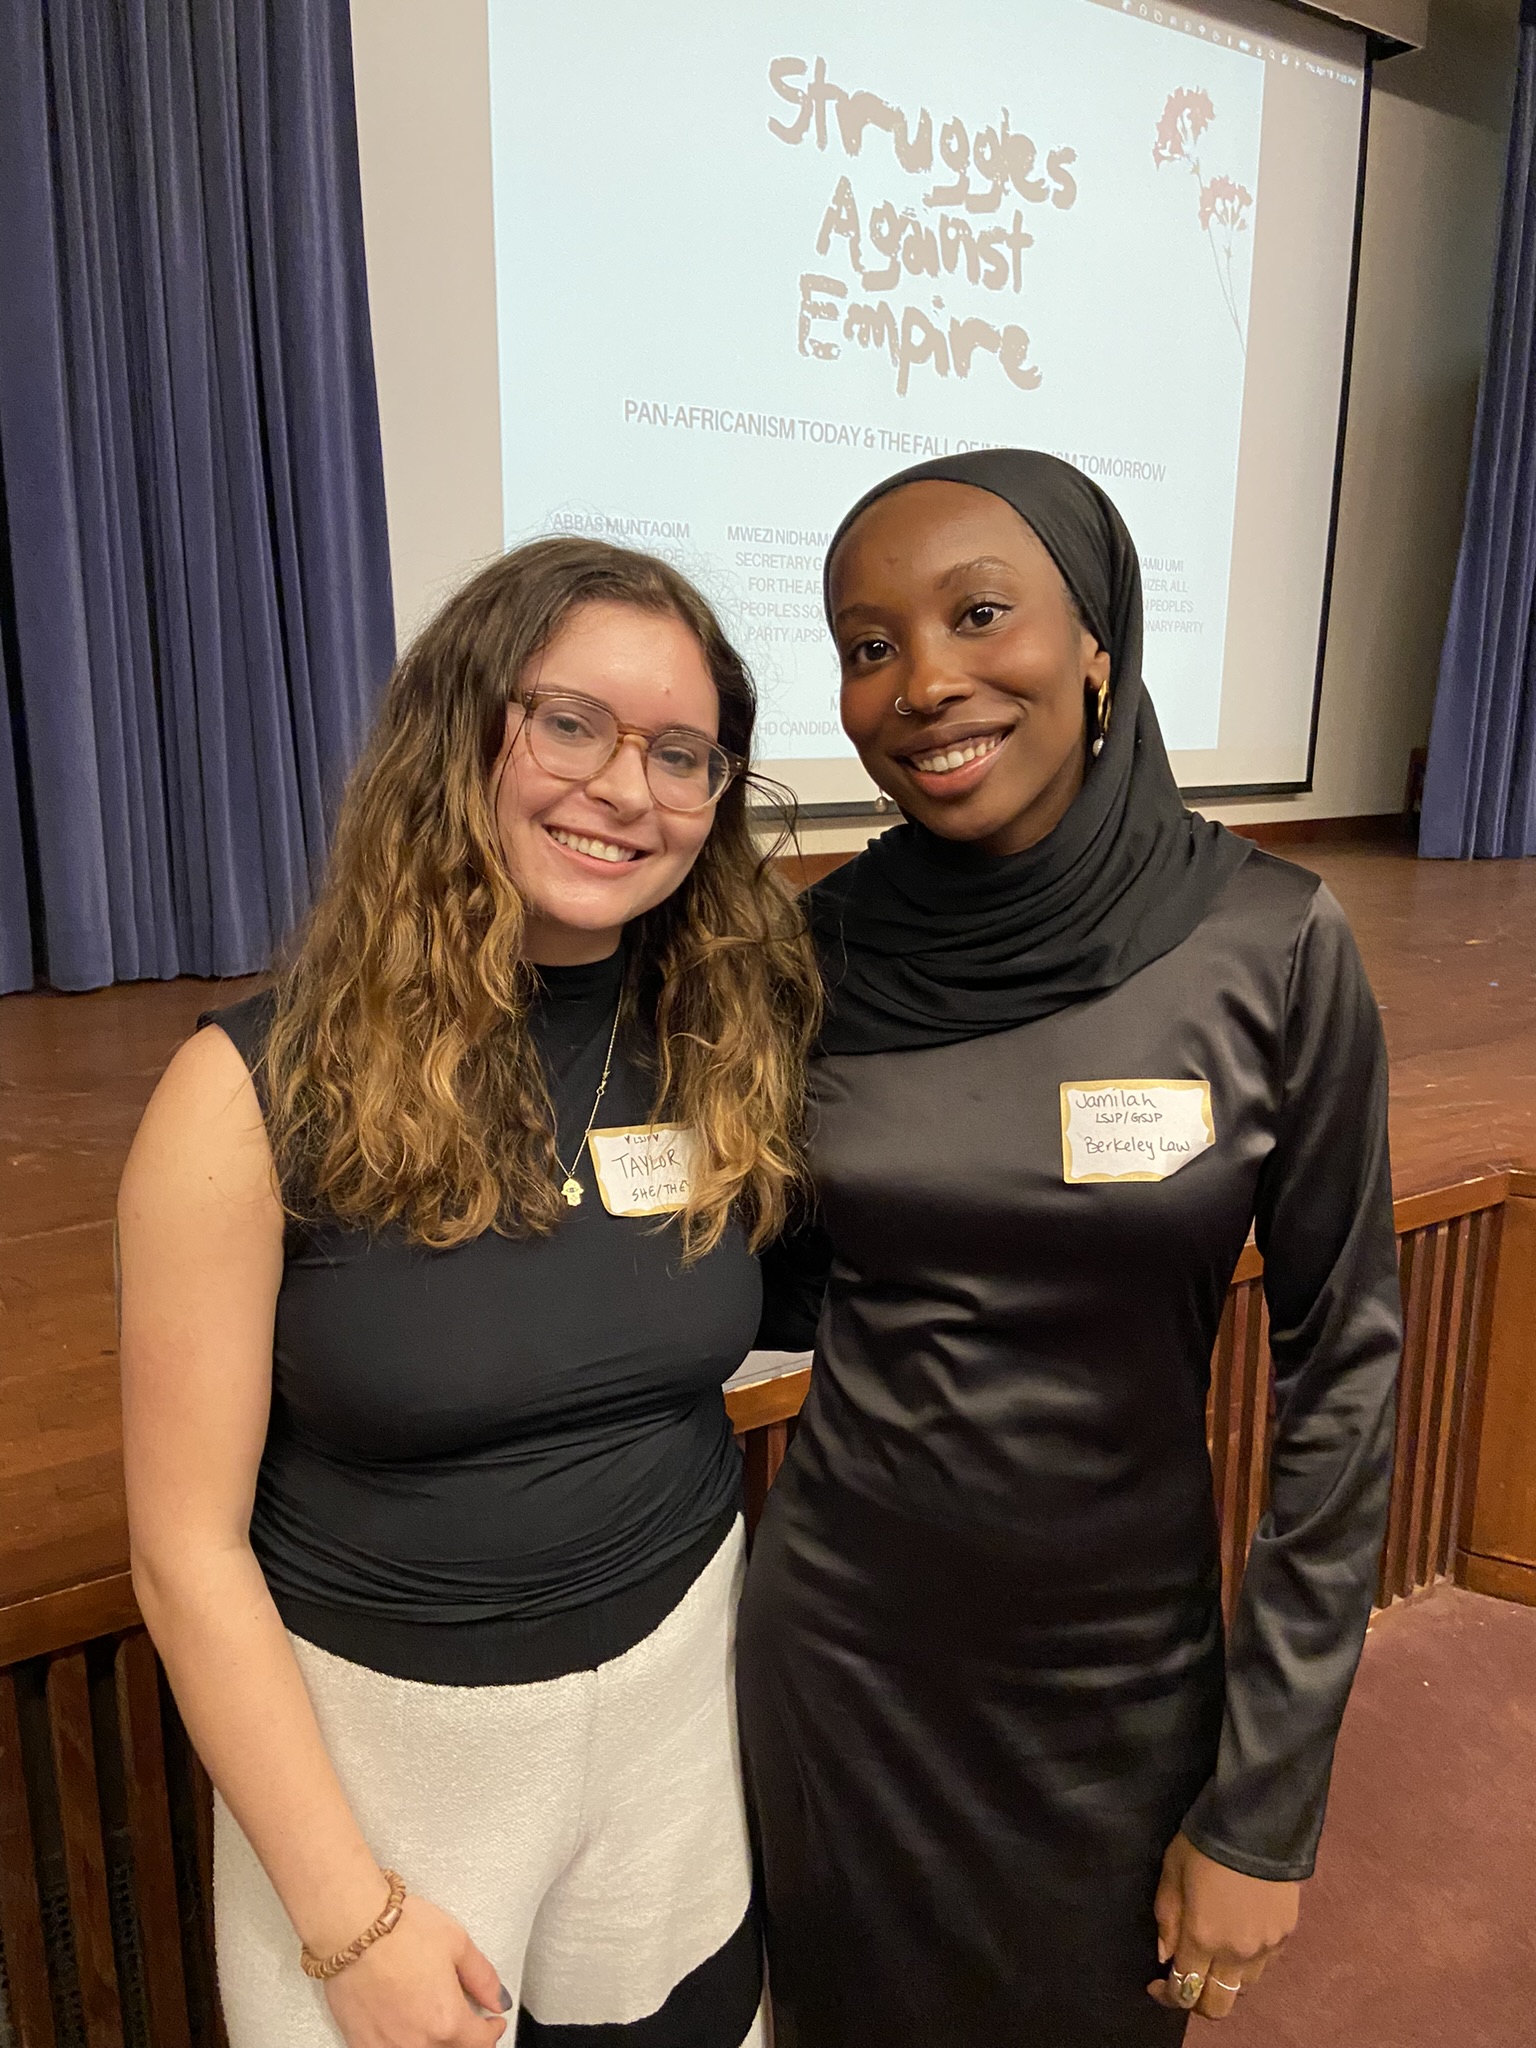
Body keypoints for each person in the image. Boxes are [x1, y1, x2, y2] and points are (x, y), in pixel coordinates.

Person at [118, 538, 820, 2048]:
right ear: (460, 736)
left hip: (678, 1725)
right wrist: (346, 1913)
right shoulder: (245, 1094)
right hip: (389, 1774)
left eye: (682, 754)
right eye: (572, 724)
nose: (628, 790)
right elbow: (182, 1554)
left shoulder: (721, 1038)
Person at [738, 451, 1401, 2047]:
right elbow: (781, 1285)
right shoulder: (814, 956)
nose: (925, 681)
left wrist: (1265, 1801)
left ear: (1097, 643)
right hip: (843, 1662)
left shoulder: (1271, 940)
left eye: (980, 616)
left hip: (1113, 1687)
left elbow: (1347, 1372)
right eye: (870, 642)